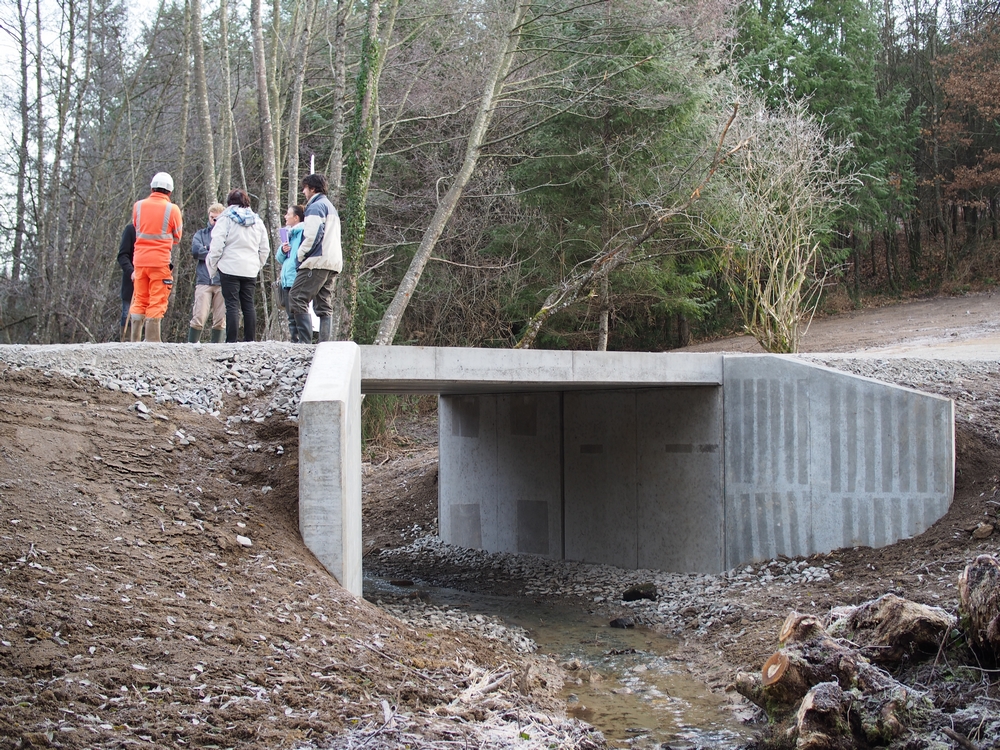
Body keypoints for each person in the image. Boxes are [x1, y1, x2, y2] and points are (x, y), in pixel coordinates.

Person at [205, 189, 270, 343]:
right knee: (248, 304)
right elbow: (265, 248)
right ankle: (250, 340)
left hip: (229, 266)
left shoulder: (225, 219)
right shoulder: (257, 221)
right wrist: (257, 265)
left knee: (232, 305)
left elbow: (217, 245)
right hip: (250, 268)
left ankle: (231, 341)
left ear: (229, 203)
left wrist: (214, 265)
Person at [130, 172, 182, 342]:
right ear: (170, 191)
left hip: (139, 261)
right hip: (159, 262)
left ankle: (134, 341)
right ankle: (152, 343)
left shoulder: (138, 206)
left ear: (152, 187)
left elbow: (136, 228)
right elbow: (177, 237)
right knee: (157, 300)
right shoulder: (172, 209)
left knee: (140, 298)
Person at [289, 173, 342, 343]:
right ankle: (324, 344)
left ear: (312, 188)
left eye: (304, 188)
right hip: (333, 262)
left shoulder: (315, 207)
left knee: (297, 297)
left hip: (317, 261)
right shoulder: (330, 207)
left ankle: (305, 343)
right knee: (323, 304)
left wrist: (300, 255)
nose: (303, 192)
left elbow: (312, 235)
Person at [187, 203, 227, 343]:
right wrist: (214, 253)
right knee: (199, 316)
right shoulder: (201, 234)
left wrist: (208, 251)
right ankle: (191, 346)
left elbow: (227, 254)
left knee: (220, 319)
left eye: (218, 219)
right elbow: (196, 251)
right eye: (212, 218)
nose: (214, 221)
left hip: (222, 280)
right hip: (204, 279)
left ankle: (217, 348)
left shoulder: (226, 235)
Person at [275, 204, 305, 341]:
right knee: (290, 315)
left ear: (296, 217)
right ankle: (294, 340)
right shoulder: (288, 235)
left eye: (288, 214)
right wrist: (283, 250)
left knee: (298, 312)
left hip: (297, 278)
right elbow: (279, 258)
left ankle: (303, 341)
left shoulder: (303, 233)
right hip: (286, 279)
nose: (285, 217)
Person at [116, 222, 135, 342]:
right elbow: (122, 255)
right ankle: (125, 343)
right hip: (131, 281)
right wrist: (131, 272)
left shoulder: (154, 229)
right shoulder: (131, 229)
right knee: (127, 314)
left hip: (150, 281)